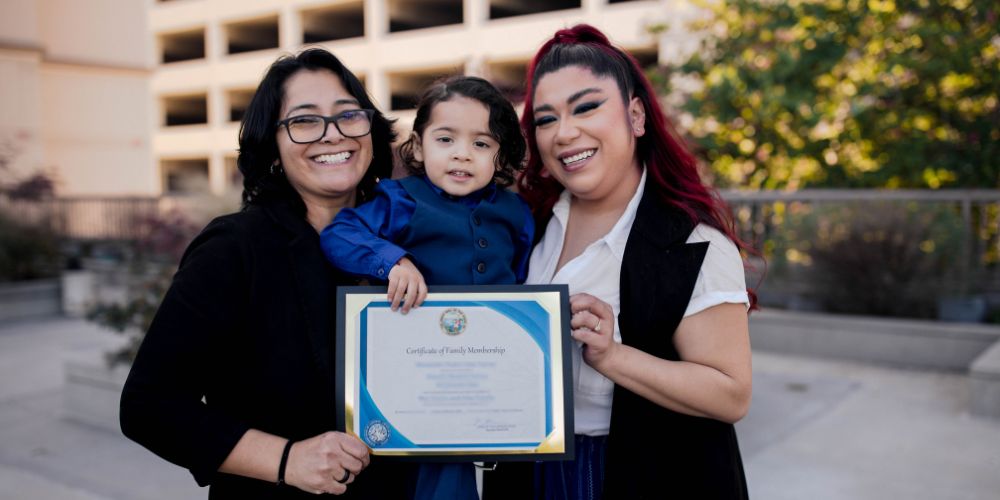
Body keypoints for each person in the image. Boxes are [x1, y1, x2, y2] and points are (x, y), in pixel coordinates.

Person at [120, 48, 415, 498]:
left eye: (348, 115)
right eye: (304, 121)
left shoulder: (410, 237)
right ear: (272, 146)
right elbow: (149, 406)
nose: (332, 135)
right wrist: (287, 460)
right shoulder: (235, 248)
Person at [483, 25, 756, 500]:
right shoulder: (524, 225)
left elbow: (731, 395)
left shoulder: (693, 242)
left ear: (635, 116)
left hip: (639, 473)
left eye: (586, 107)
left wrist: (613, 356)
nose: (565, 133)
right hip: (529, 473)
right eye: (546, 120)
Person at [320, 75, 533, 500]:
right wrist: (392, 261)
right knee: (442, 469)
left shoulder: (516, 212)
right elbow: (339, 234)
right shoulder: (401, 200)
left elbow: (523, 279)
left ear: (500, 155)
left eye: (481, 144)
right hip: (424, 372)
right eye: (445, 139)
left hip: (495, 374)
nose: (462, 154)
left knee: (512, 470)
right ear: (418, 147)